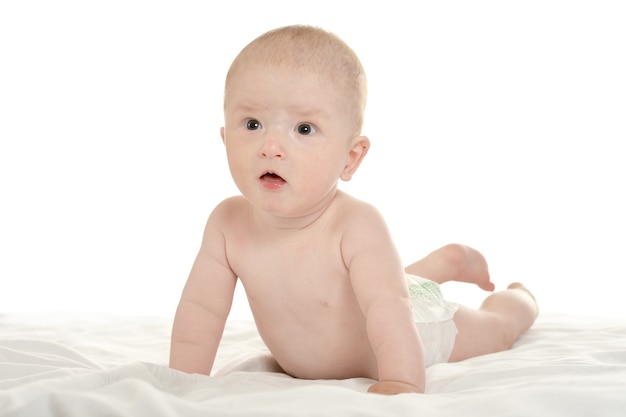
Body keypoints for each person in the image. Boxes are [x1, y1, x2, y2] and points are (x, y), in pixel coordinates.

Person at [169, 24, 538, 395]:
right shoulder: (226, 224)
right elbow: (201, 309)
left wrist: (401, 380)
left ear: (351, 157)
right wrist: (181, 381)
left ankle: (519, 299)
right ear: (224, 139)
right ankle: (445, 262)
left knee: (495, 328)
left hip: (415, 333)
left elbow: (389, 307)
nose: (270, 146)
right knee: (385, 281)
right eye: (252, 124)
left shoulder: (356, 224)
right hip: (381, 293)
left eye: (304, 128)